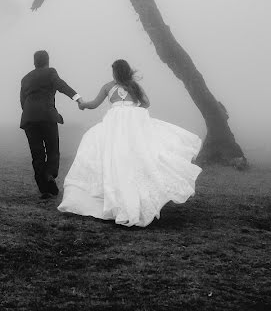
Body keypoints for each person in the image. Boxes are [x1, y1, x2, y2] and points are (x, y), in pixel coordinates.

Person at [57, 59, 202, 226]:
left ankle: (112, 198)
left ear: (115, 72)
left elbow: (94, 104)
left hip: (114, 125)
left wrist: (82, 105)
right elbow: (146, 103)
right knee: (141, 155)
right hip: (133, 124)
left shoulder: (108, 86)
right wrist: (133, 109)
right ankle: (139, 197)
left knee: (111, 156)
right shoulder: (134, 86)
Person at [19, 50, 83, 199]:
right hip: (47, 116)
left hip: (29, 118)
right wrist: (77, 98)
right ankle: (49, 174)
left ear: (34, 62)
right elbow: (61, 85)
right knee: (52, 149)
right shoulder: (50, 72)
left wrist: (30, 113)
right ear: (48, 61)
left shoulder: (25, 78)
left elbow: (22, 101)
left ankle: (44, 188)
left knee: (37, 153)